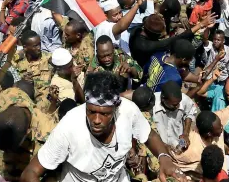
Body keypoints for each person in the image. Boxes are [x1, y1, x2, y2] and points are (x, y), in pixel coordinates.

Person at [21, 72, 187, 182]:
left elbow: (149, 135)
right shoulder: (68, 128)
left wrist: (163, 156)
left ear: (115, 108)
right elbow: (30, 173)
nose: (97, 120)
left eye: (105, 114)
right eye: (91, 112)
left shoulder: (128, 111)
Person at [12, 30, 53, 113]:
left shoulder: (49, 59)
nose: (39, 48)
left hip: (44, 105)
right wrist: (23, 81)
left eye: (39, 44)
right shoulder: (16, 61)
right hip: (23, 102)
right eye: (35, 46)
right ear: (25, 47)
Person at [152, 81, 198, 150]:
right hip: (159, 147)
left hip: (178, 142)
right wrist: (163, 146)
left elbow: (190, 112)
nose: (178, 106)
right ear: (163, 99)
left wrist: (185, 133)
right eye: (174, 105)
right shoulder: (152, 104)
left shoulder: (184, 99)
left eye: (179, 103)